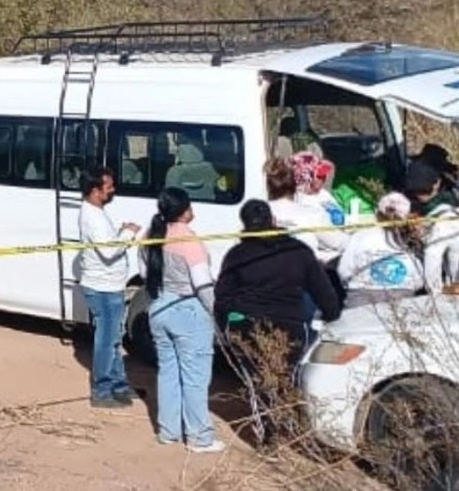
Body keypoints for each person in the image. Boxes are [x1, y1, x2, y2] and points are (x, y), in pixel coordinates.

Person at [215, 199, 341, 451]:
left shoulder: (237, 255)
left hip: (248, 326)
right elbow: (322, 289)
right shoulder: (298, 252)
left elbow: (223, 295)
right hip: (290, 325)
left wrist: (225, 326)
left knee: (259, 380)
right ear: (272, 220)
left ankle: (269, 437)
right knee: (287, 377)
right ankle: (289, 429)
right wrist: (332, 313)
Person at [139, 188, 224, 453]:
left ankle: (168, 431)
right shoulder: (190, 241)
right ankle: (199, 437)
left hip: (159, 308)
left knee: (168, 373)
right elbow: (202, 285)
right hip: (188, 312)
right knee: (195, 378)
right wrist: (217, 315)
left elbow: (144, 275)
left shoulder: (149, 237)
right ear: (185, 210)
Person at [78, 167, 142, 408]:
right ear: (95, 191)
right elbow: (107, 251)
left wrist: (119, 233)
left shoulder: (96, 212)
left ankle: (119, 385)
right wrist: (128, 234)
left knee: (114, 339)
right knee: (106, 341)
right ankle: (102, 391)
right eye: (109, 187)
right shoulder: (92, 216)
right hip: (102, 287)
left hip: (109, 284)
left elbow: (106, 244)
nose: (113, 191)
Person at [336, 193, 427, 308]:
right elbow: (419, 279)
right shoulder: (410, 241)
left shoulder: (361, 236)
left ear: (377, 213)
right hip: (402, 300)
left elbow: (344, 270)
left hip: (361, 296)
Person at [266, 157, 347, 262]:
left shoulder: (257, 214)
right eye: (319, 176)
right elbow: (340, 242)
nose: (324, 179)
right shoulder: (311, 214)